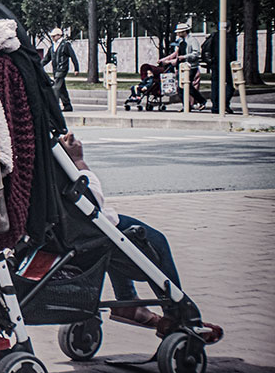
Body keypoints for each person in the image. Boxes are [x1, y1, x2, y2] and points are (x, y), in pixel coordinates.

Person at [58, 133, 222, 343]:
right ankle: (177, 314)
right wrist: (79, 161)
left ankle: (128, 300)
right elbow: (92, 200)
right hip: (83, 230)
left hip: (58, 234)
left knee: (115, 236)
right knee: (150, 241)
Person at [159, 22, 207, 110]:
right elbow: (176, 53)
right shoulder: (180, 42)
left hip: (190, 66)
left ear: (184, 31)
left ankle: (200, 101)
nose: (177, 34)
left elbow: (196, 53)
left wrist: (184, 57)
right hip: (181, 67)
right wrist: (166, 61)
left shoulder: (192, 41)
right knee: (180, 88)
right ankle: (187, 106)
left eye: (179, 32)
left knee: (187, 85)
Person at [200, 23, 236, 114]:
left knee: (215, 85)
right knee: (230, 85)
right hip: (226, 64)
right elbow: (232, 53)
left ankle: (215, 106)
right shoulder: (229, 38)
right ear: (229, 28)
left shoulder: (213, 36)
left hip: (215, 64)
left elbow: (205, 47)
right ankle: (224, 103)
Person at [41, 27, 79, 111]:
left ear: (59, 35)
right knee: (62, 88)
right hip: (55, 69)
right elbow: (47, 58)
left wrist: (76, 68)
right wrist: (39, 65)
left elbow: (73, 56)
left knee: (55, 87)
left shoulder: (65, 44)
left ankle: (54, 107)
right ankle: (67, 105)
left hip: (62, 69)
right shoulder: (53, 46)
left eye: (54, 36)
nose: (53, 38)